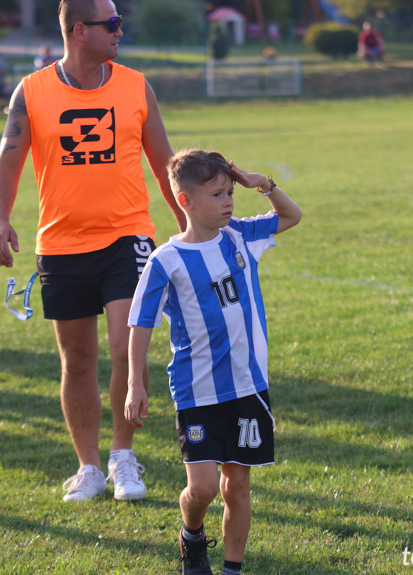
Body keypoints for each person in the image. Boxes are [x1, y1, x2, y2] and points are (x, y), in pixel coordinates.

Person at [0, 0, 186, 503]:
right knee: (77, 361)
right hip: (60, 243)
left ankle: (123, 457)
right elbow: (8, 163)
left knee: (126, 348)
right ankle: (89, 468)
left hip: (129, 237)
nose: (121, 31)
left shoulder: (136, 85)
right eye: (111, 24)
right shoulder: (30, 92)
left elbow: (165, 164)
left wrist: (188, 224)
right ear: (80, 31)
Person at [125, 150, 302, 575]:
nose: (229, 202)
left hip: (248, 387)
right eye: (218, 194)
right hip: (197, 390)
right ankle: (192, 534)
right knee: (202, 488)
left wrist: (265, 184)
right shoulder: (165, 261)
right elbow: (140, 323)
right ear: (185, 201)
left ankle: (231, 570)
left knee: (237, 486)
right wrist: (135, 382)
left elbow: (292, 216)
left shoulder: (241, 236)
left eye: (230, 192)